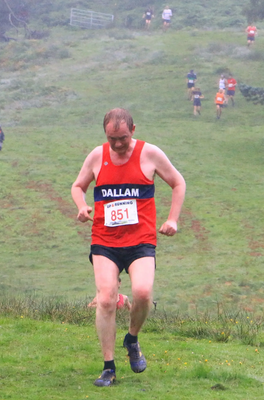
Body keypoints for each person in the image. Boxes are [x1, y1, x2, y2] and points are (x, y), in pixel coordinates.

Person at [71, 108, 185, 387]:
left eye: (122, 138)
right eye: (112, 139)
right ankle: (108, 368)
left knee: (143, 293)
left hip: (141, 240)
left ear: (133, 130)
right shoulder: (97, 156)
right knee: (107, 298)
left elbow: (178, 182)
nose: (118, 144)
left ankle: (132, 339)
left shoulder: (150, 154)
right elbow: (78, 186)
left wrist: (173, 219)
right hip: (105, 241)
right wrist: (82, 206)